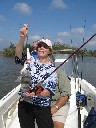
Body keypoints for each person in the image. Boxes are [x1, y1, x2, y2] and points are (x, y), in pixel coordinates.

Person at [15, 24, 57, 128]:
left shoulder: (52, 69)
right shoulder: (30, 60)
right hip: (25, 104)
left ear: (49, 51)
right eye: (40, 46)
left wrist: (36, 93)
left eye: (45, 46)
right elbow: (18, 54)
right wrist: (22, 38)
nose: (42, 48)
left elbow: (49, 91)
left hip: (42, 107)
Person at [49, 55, 71, 128]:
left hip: (59, 104)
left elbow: (65, 95)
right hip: (43, 105)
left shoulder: (60, 74)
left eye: (49, 62)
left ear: (53, 62)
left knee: (57, 125)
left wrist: (56, 107)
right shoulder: (38, 75)